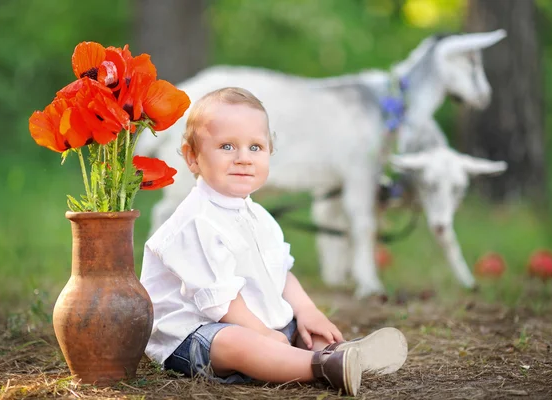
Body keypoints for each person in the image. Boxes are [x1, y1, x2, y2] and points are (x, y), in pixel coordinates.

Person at [140, 87, 408, 396]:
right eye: (227, 146)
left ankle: (337, 354)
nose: (243, 158)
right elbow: (220, 302)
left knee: (309, 330)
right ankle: (322, 366)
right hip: (194, 335)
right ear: (192, 156)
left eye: (256, 147)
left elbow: (281, 272)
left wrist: (308, 311)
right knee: (237, 343)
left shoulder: (258, 216)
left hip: (259, 324)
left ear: (270, 152)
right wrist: (262, 333)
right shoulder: (195, 220)